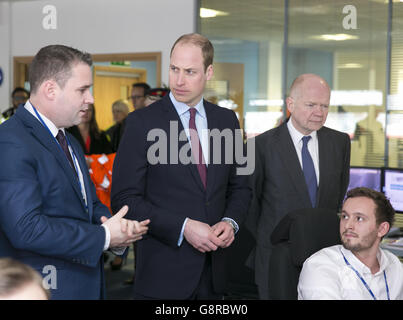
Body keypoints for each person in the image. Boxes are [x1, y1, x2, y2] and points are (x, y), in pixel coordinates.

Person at [0, 44, 150, 300]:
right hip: (45, 288)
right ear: (50, 89)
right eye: (82, 89)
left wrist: (115, 229)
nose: (90, 98)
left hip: (86, 282)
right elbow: (26, 228)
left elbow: (87, 204)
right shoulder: (11, 141)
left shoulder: (68, 138)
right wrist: (103, 237)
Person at [111, 33, 251, 299]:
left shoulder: (227, 120)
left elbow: (241, 185)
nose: (179, 80)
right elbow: (124, 200)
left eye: (190, 72)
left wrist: (231, 222)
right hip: (162, 276)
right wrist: (183, 226)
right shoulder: (141, 123)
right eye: (174, 69)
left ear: (209, 72)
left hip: (216, 274)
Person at [246, 73, 351, 299]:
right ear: (291, 104)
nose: (319, 112)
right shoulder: (260, 146)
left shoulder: (340, 142)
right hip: (276, 258)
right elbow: (250, 205)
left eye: (325, 105)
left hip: (325, 259)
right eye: (311, 104)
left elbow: (337, 195)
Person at [298, 187, 403, 300]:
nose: (348, 225)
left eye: (359, 218)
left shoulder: (394, 265)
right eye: (345, 216)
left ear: (382, 229)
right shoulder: (319, 267)